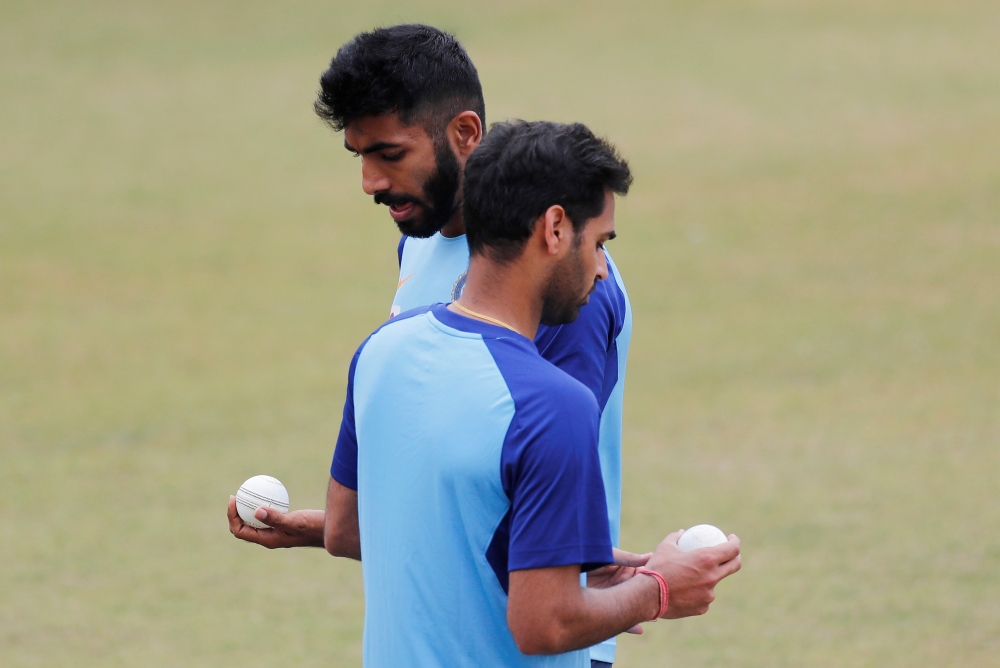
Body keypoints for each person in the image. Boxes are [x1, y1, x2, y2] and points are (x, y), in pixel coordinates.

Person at [227, 25, 672, 666]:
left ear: (465, 134)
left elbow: (525, 502)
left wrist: (656, 590)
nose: (370, 182)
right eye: (358, 155)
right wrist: (332, 526)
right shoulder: (421, 240)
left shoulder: (569, 286)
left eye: (388, 153)